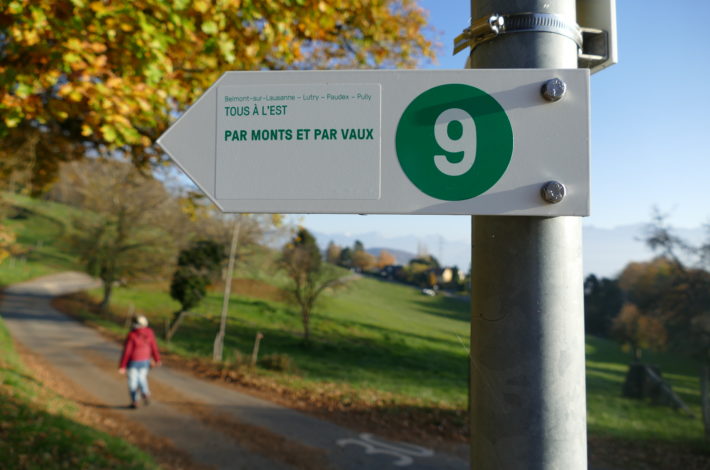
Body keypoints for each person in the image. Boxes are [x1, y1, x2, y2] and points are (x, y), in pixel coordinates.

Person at [118, 315, 161, 409]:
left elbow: (127, 351)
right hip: (145, 361)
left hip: (133, 362)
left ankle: (134, 401)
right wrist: (157, 359)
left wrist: (122, 366)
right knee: (142, 378)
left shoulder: (132, 335)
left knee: (133, 382)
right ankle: (145, 393)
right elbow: (154, 346)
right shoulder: (150, 333)